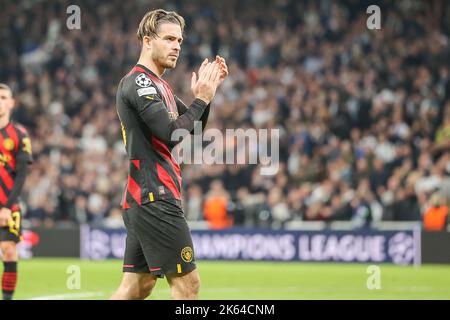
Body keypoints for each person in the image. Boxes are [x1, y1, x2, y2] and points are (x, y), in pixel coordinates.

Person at [111, 9, 228, 300]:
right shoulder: (140, 83)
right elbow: (170, 132)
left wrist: (207, 95)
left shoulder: (159, 85)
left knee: (136, 287)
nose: (177, 45)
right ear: (148, 41)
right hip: (155, 196)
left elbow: (193, 129)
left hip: (146, 196)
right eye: (169, 39)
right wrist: (200, 99)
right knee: (188, 286)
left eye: (180, 40)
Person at [0, 84, 33, 300]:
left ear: (11, 103)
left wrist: (5, 207)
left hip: (8, 204)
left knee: (9, 249)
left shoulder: (19, 135)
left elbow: (21, 176)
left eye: (3, 97)